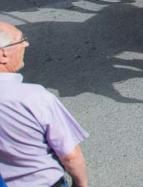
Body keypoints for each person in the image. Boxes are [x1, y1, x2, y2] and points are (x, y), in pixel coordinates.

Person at [0, 22, 90, 187]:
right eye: (20, 41)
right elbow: (70, 156)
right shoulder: (33, 98)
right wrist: (81, 183)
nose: (26, 44)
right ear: (2, 54)